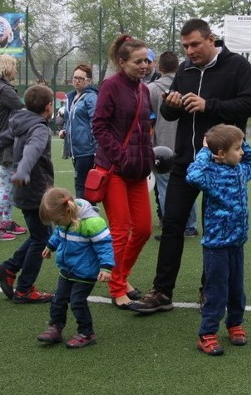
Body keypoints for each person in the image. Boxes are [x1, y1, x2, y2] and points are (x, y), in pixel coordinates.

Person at [130, 18, 251, 314]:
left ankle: (209, 290)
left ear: (210, 39)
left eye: (194, 44)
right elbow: (169, 113)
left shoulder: (237, 66)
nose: (189, 51)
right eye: (185, 46)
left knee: (214, 230)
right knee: (173, 224)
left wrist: (208, 105)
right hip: (185, 163)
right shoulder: (185, 71)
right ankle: (162, 292)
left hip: (221, 169)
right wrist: (171, 104)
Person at [92, 34, 154, 309]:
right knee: (120, 230)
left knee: (142, 229)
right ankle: (117, 290)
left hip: (138, 170)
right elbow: (99, 125)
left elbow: (146, 128)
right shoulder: (110, 86)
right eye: (138, 61)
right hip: (114, 169)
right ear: (122, 62)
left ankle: (122, 275)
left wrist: (148, 156)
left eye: (147, 61)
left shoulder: (143, 90)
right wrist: (120, 156)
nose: (145, 66)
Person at [185, 125, 251, 356]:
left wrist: (241, 140)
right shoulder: (209, 176)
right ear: (220, 154)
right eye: (237, 149)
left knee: (237, 289)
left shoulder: (240, 170)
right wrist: (206, 150)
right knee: (216, 291)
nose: (242, 153)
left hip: (237, 243)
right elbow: (192, 174)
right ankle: (207, 333)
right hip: (216, 246)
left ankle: (235, 323)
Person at [0, 84, 56, 304]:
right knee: (42, 239)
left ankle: (9, 268)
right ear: (48, 106)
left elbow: (6, 138)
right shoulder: (39, 128)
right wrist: (24, 169)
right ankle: (25, 288)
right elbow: (32, 150)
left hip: (26, 189)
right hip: (35, 190)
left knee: (40, 235)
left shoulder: (22, 121)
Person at [36, 187, 114, 349]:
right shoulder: (65, 220)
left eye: (56, 221)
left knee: (77, 302)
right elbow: (59, 232)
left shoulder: (92, 223)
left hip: (85, 272)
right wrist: (50, 246)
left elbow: (105, 246)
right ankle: (55, 327)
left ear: (67, 210)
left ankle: (87, 332)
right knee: (58, 299)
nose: (56, 224)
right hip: (67, 269)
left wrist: (106, 268)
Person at [148, 51, 198, 239]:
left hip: (162, 146)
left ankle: (171, 227)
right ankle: (190, 226)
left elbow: (148, 118)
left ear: (159, 67)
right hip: (186, 143)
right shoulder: (187, 85)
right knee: (189, 185)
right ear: (178, 67)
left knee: (165, 189)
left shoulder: (152, 89)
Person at [0, 55, 27, 241]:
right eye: (14, 67)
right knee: (6, 188)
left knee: (8, 185)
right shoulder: (4, 90)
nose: (16, 71)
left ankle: (5, 221)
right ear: (7, 68)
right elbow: (22, 109)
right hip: (7, 142)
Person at [59, 64, 98, 202]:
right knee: (80, 184)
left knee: (83, 186)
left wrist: (95, 147)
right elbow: (69, 118)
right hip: (75, 150)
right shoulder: (71, 97)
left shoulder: (91, 97)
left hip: (87, 150)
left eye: (81, 78)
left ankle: (86, 217)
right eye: (75, 78)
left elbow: (96, 122)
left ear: (89, 81)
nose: (76, 81)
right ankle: (86, 216)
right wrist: (65, 130)